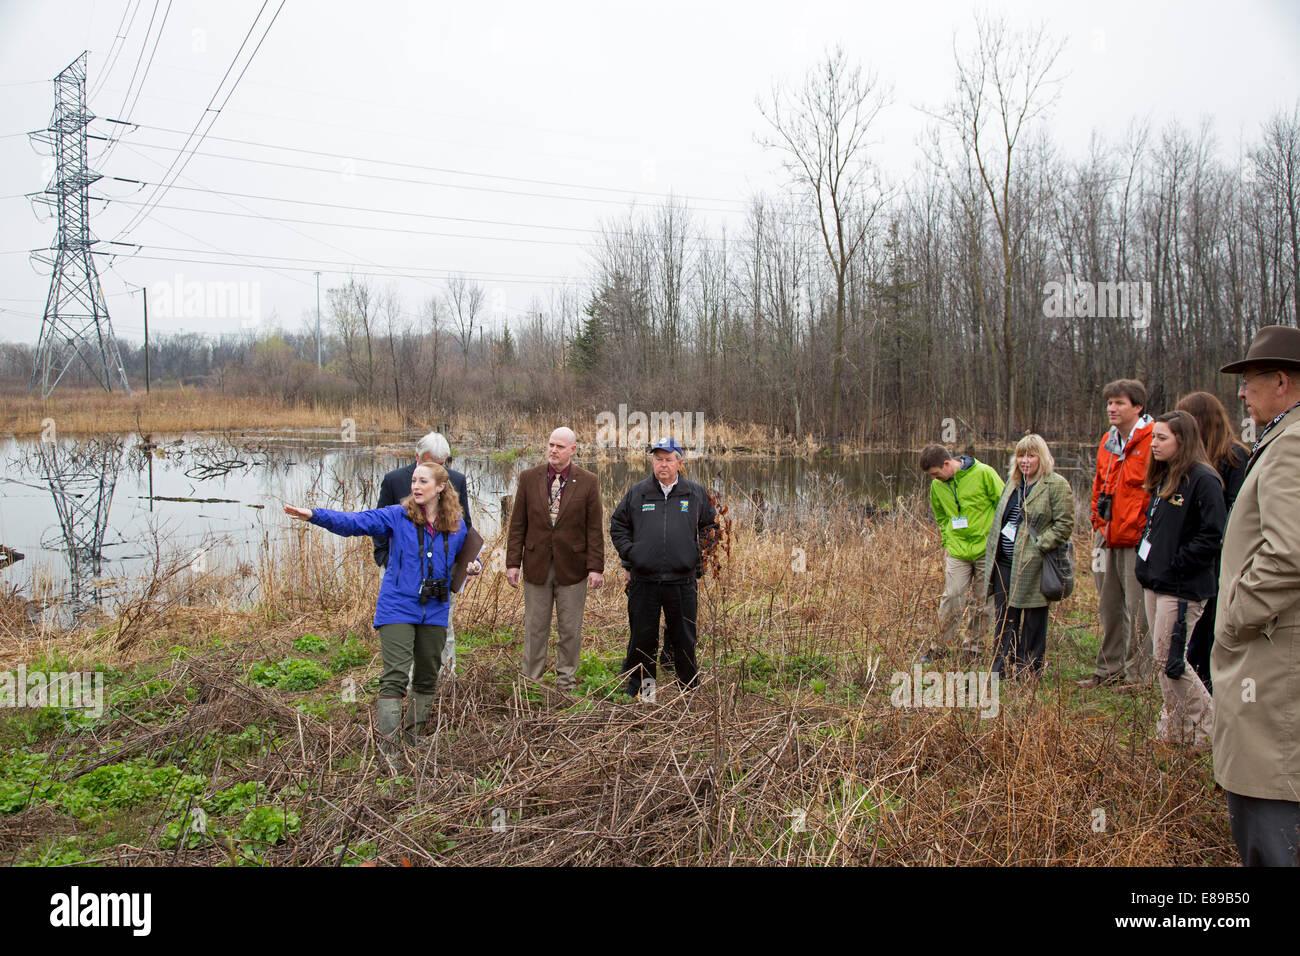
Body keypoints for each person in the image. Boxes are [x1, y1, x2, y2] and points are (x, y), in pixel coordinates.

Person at [285, 462, 470, 753]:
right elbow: (355, 522)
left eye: (423, 481)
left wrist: (475, 565)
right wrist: (315, 515)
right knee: (396, 676)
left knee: (426, 676)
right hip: (398, 606)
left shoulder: (457, 523)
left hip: (434, 609)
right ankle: (389, 749)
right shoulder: (397, 516)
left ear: (441, 487)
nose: (416, 487)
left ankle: (413, 738)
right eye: (414, 481)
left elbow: (469, 555)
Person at [1213, 324, 1300, 867]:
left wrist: (1233, 616)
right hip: (1270, 658)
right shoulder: (1280, 441)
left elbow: (1289, 552)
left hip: (1271, 665)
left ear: (1282, 381)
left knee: (1269, 817)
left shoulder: (1291, 447)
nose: (1242, 393)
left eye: (1250, 380)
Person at [1134, 411, 1226, 750]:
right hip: (1155, 582)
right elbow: (1155, 527)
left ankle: (1208, 726)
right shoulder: (1165, 476)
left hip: (1183, 586)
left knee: (1171, 660)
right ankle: (1172, 727)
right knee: (1161, 660)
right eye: (1153, 437)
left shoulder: (1204, 479)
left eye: (1162, 438)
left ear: (1183, 440)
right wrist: (1147, 566)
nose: (1154, 444)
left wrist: (1176, 564)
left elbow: (1212, 534)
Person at [611, 437, 718, 697]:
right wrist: (631, 554)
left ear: (679, 463)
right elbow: (618, 525)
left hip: (682, 581)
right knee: (643, 638)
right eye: (658, 459)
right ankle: (644, 691)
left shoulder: (694, 493)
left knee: (684, 637)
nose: (663, 465)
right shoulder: (639, 492)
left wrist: (696, 556)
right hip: (644, 580)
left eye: (669, 460)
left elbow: (711, 528)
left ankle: (687, 690)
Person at [505, 427, 604, 692]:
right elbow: (517, 525)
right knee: (535, 627)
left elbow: (594, 528)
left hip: (573, 567)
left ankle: (565, 682)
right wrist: (513, 563)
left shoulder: (588, 481)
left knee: (570, 629)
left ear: (572, 450)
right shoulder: (528, 478)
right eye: (551, 444)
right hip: (536, 565)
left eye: (560, 446)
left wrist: (595, 567)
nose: (553, 450)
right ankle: (531, 681)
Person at [374, 432, 476, 675]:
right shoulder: (395, 480)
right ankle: (405, 681)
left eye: (441, 465)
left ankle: (446, 680)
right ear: (416, 456)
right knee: (403, 628)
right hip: (400, 572)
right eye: (429, 462)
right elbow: (378, 524)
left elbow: (465, 527)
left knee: (444, 627)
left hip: (439, 573)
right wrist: (384, 558)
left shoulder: (456, 480)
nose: (436, 469)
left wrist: (466, 565)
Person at [1078, 379, 1155, 690]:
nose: (1111, 408)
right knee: (1109, 606)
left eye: (1119, 403)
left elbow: (1157, 491)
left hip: (1136, 540)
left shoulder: (1154, 440)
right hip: (1106, 537)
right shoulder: (1107, 441)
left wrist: (1145, 530)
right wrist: (1097, 521)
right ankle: (1109, 669)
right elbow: (1098, 485)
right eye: (1109, 402)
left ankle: (1141, 676)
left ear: (1137, 406)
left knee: (1140, 611)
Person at [1174, 391, 1250, 693]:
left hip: (1220, 565)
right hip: (1191, 563)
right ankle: (1195, 704)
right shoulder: (1188, 461)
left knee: (1212, 635)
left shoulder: (1235, 457)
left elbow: (1235, 515)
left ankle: (1215, 701)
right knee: (1189, 638)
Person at [981, 434, 1074, 678]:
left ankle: (1029, 670)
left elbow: (1064, 525)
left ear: (1041, 458)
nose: (1025, 461)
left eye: (1031, 455)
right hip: (1005, 563)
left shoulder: (1056, 485)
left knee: (1034, 618)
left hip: (1035, 565)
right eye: (1021, 455)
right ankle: (1001, 667)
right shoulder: (1012, 484)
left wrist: (1039, 545)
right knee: (1004, 617)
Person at [919, 445, 1005, 663]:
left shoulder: (984, 473)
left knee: (982, 600)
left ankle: (973, 649)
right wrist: (947, 543)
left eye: (936, 474)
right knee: (952, 596)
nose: (934, 479)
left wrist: (1000, 541)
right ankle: (939, 647)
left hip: (986, 548)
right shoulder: (937, 487)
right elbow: (941, 517)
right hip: (958, 550)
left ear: (947, 464)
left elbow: (1004, 504)